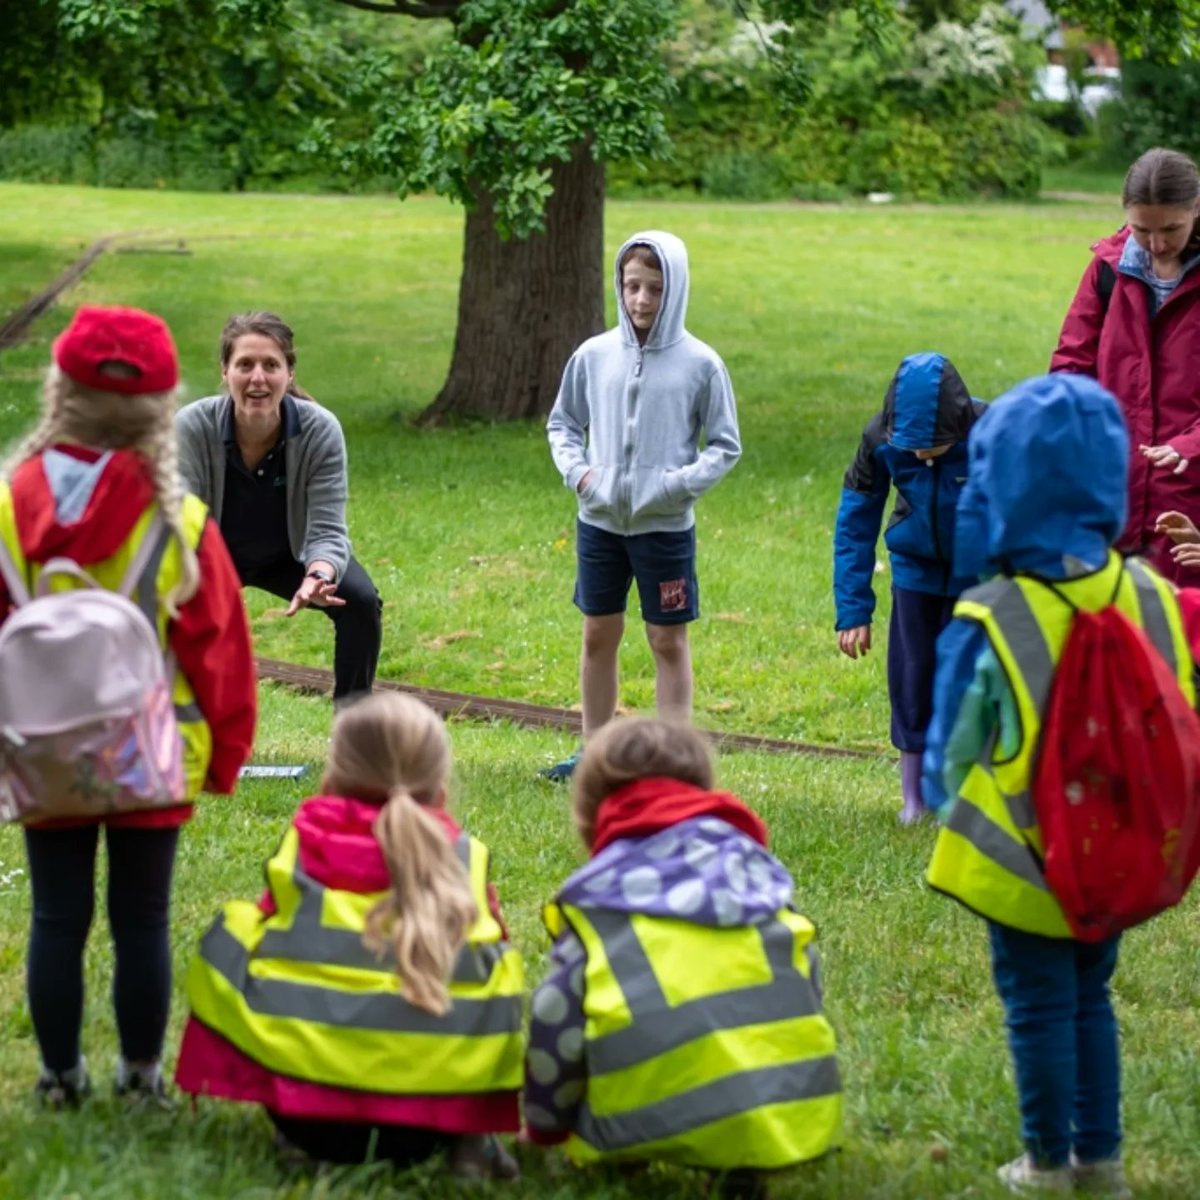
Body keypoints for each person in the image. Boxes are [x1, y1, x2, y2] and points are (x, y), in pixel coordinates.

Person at [922, 372, 1199, 1196]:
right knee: (1091, 1000)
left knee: (1037, 1007)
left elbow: (951, 754)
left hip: (1024, 865)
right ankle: (1100, 1159)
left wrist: (945, 795)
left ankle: (1045, 1161)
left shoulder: (993, 614)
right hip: (1118, 851)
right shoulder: (1151, 592)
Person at [0, 305, 256, 1106]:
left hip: (42, 752)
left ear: (58, 391)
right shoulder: (178, 519)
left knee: (56, 916)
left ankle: (58, 1077)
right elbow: (222, 653)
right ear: (160, 406)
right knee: (142, 920)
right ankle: (141, 1080)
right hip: (152, 758)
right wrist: (227, 757)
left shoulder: (7, 508)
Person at [176, 692, 524, 1182]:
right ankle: (471, 1141)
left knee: (236, 932)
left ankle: (289, 1104)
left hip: (308, 1118)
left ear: (331, 780)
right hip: (429, 1117)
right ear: (440, 792)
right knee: (498, 964)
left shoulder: (306, 842)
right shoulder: (463, 857)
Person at [525, 718, 841, 1195]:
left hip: (636, 1119)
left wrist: (544, 1123)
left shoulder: (598, 902)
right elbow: (803, 984)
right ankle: (740, 1152)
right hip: (788, 1110)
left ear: (590, 815)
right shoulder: (759, 879)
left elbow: (555, 1020)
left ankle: (625, 1156)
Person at [542, 231, 741, 780]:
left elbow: (725, 445)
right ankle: (595, 752)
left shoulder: (701, 364)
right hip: (600, 523)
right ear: (619, 286)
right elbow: (563, 424)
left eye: (655, 288)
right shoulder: (594, 356)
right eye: (632, 286)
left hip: (665, 529)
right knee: (598, 633)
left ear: (674, 290)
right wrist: (581, 476)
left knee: (666, 639)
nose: (642, 300)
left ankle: (675, 760)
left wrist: (676, 487)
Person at [175, 311, 382, 706]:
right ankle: (167, 732)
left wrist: (318, 575)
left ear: (289, 373)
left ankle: (354, 737)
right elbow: (181, 527)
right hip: (211, 554)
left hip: (291, 552)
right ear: (225, 372)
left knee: (358, 601)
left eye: (271, 365)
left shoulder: (320, 430)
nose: (258, 378)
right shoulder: (191, 427)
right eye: (245, 365)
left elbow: (327, 529)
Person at [833, 351, 984, 823]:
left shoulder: (991, 434)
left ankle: (966, 792)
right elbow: (855, 522)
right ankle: (914, 799)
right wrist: (854, 609)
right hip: (914, 575)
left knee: (972, 683)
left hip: (975, 579)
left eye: (931, 448)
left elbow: (1027, 506)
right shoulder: (881, 437)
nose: (919, 456)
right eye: (911, 447)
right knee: (911, 679)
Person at [1051, 146, 1200, 583]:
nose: (1156, 244)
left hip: (1188, 498)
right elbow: (1070, 369)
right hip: (1111, 493)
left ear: (1196, 208)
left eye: (1170, 229)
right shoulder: (1106, 271)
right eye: (1142, 229)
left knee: (1184, 637)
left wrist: (1189, 446)